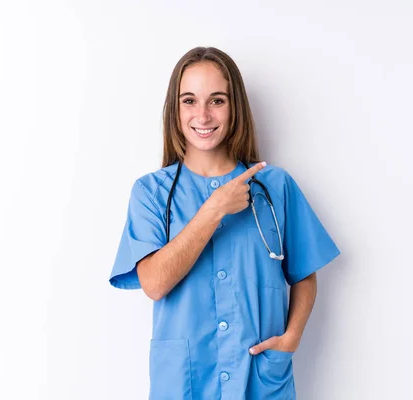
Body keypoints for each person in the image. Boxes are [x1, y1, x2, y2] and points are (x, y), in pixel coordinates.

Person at [109, 46, 341, 400]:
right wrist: (213, 209)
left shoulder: (275, 187)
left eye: (217, 100)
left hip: (260, 380)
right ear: (175, 109)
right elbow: (153, 283)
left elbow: (304, 274)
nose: (202, 115)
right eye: (189, 100)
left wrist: (291, 339)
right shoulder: (151, 193)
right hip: (186, 384)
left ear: (235, 108)